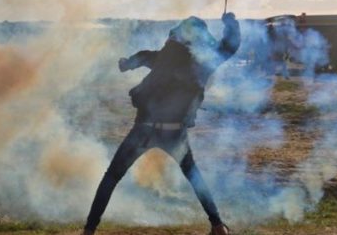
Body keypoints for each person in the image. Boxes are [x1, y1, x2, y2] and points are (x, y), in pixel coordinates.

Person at [83, 13, 241, 235]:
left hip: (144, 130)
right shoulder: (203, 64)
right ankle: (218, 226)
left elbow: (141, 56)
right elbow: (230, 46)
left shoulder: (162, 58)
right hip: (175, 135)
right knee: (194, 177)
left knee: (112, 176)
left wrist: (126, 64)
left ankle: (89, 230)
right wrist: (230, 23)